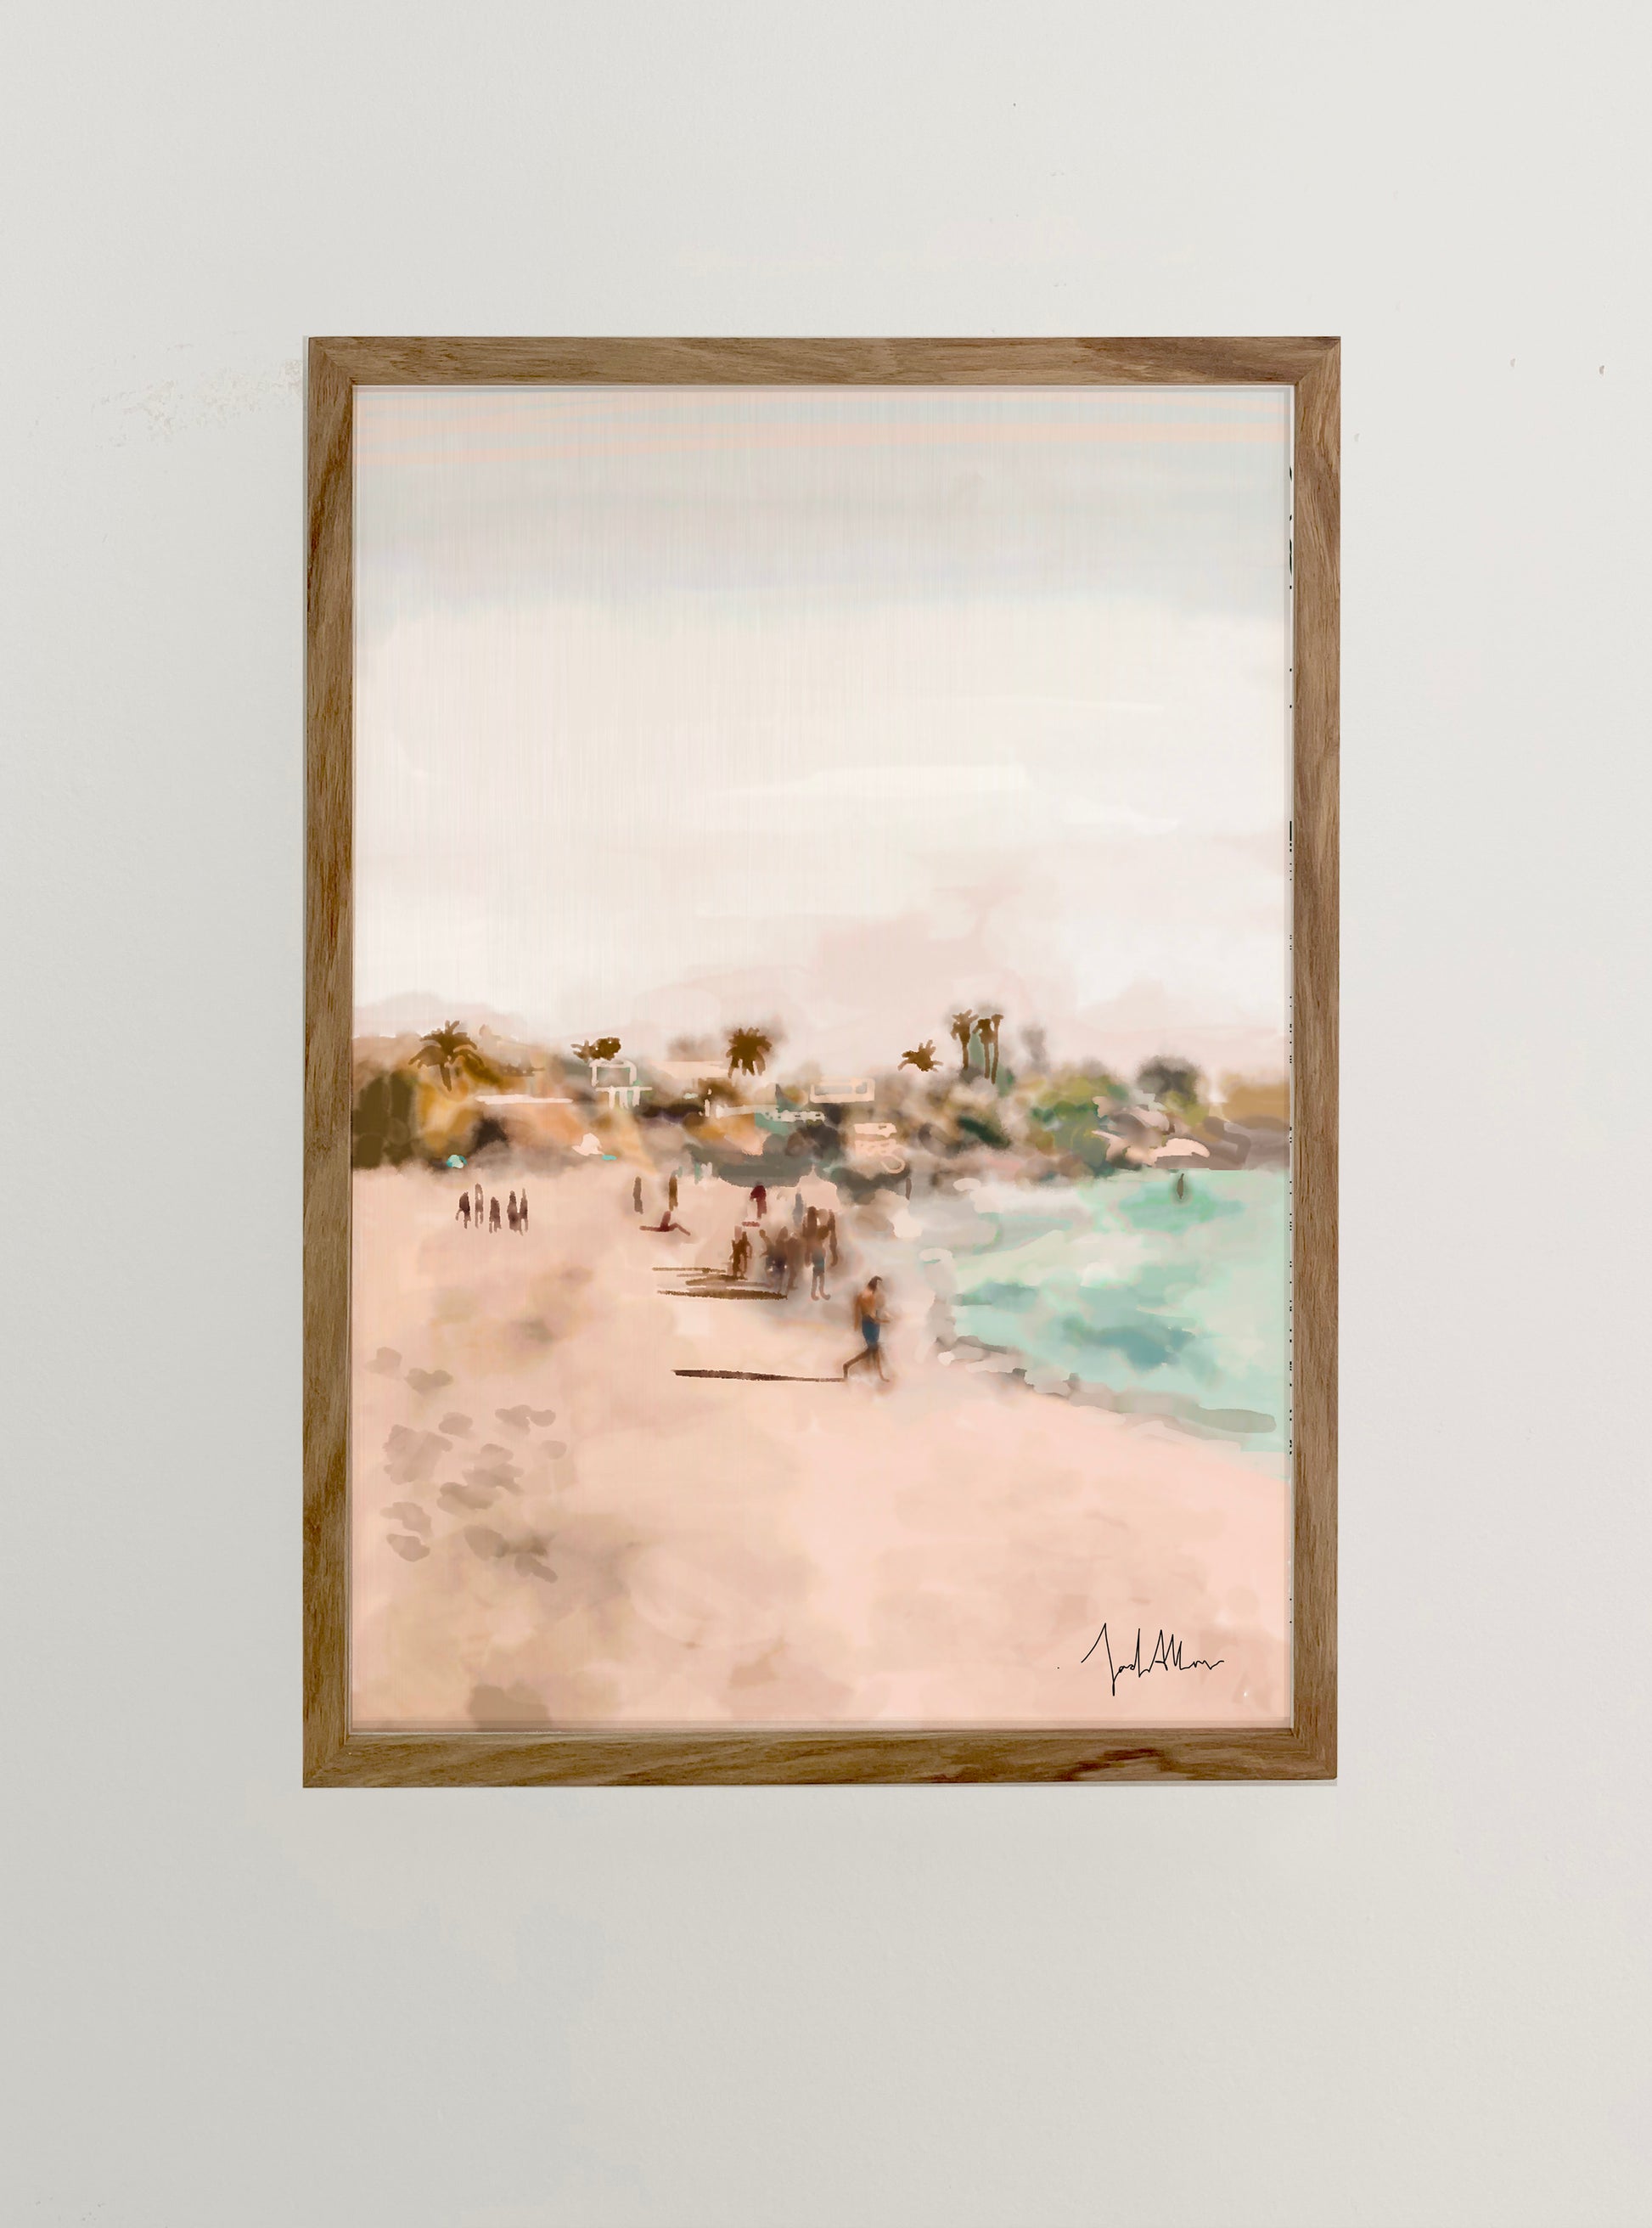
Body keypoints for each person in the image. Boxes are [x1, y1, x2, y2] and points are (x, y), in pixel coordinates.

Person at [842, 1277, 889, 1381]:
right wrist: (884, 1321)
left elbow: (857, 1311)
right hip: (871, 1326)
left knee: (874, 1350)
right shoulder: (869, 1297)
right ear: (874, 1288)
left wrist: (856, 1323)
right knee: (872, 1351)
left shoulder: (861, 1296)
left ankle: (880, 1375)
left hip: (868, 1325)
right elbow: (872, 1316)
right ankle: (847, 1365)